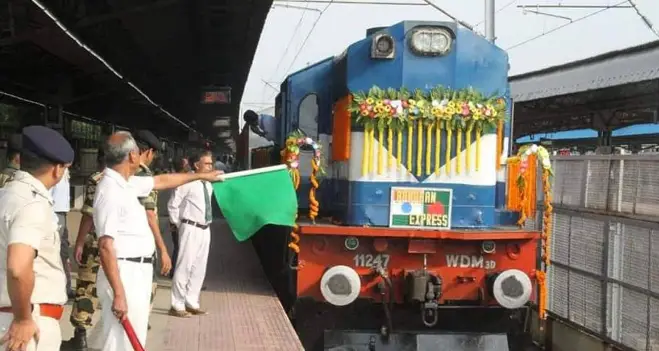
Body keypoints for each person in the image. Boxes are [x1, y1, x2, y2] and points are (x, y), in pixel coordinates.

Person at [93, 131, 223, 350]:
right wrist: (119, 293)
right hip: (125, 272)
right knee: (119, 341)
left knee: (131, 336)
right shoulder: (110, 190)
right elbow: (105, 246)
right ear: (132, 156)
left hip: (136, 271)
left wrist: (200, 176)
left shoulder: (125, 183)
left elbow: (161, 181)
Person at [0, 125, 74, 351]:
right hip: (27, 327)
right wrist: (23, 319)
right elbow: (18, 267)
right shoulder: (32, 203)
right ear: (58, 170)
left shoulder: (6, 194)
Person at [61, 151, 105, 351]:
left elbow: (88, 215)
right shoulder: (136, 180)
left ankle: (81, 337)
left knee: (87, 287)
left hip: (96, 243)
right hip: (124, 246)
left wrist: (79, 243)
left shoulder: (97, 179)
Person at [167, 151, 215, 317]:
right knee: (184, 266)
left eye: (211, 163)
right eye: (207, 163)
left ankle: (192, 301)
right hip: (190, 227)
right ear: (197, 165)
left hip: (205, 228)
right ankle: (177, 304)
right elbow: (173, 204)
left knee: (199, 267)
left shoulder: (208, 184)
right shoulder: (186, 181)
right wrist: (178, 225)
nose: (211, 166)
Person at [132, 130, 172, 329]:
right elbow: (150, 215)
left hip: (122, 246)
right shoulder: (143, 175)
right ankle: (140, 319)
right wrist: (163, 249)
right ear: (148, 152)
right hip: (141, 246)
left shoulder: (114, 173)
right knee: (147, 284)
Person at [51, 166, 74, 300]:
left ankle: (66, 286)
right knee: (58, 252)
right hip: (54, 212)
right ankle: (64, 287)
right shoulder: (55, 168)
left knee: (62, 252)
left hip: (59, 212)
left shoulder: (62, 169)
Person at [169, 156, 191, 278]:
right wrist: (176, 223)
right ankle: (176, 274)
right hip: (178, 221)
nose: (188, 166)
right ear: (182, 167)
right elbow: (172, 205)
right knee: (181, 248)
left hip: (178, 221)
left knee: (180, 247)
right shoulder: (180, 181)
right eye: (186, 164)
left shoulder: (181, 178)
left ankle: (175, 273)